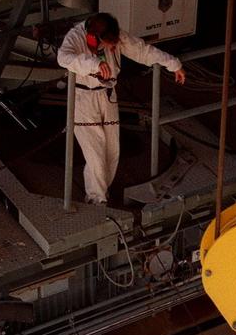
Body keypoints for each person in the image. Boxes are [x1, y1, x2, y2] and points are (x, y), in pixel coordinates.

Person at [57, 12, 187, 205]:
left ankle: (101, 193)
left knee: (112, 149)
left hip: (108, 95)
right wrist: (94, 63)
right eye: (110, 44)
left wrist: (173, 64)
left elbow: (142, 51)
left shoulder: (115, 36)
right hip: (83, 99)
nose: (113, 47)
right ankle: (96, 198)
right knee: (95, 152)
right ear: (95, 37)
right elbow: (64, 58)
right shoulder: (76, 37)